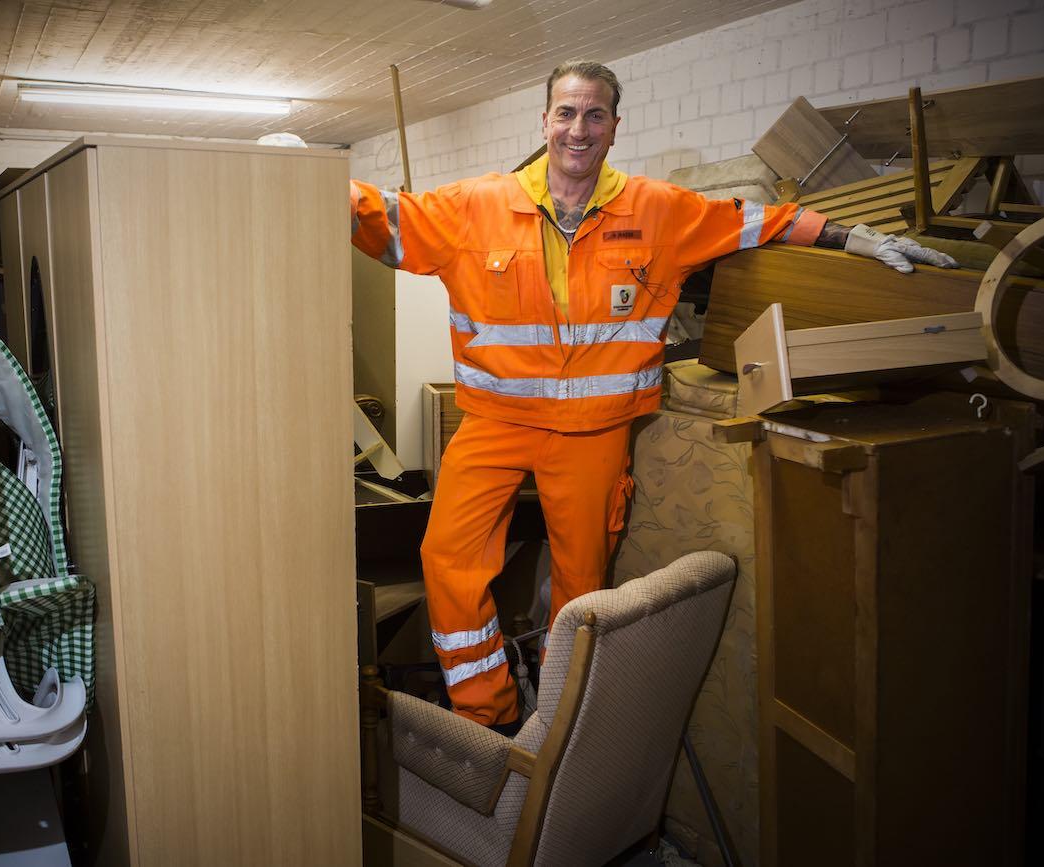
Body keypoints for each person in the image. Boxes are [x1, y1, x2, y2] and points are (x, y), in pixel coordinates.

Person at [350, 60, 956, 733]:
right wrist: (302, 180)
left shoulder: (658, 210)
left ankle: (558, 720)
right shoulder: (476, 206)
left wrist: (856, 237)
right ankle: (487, 715)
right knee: (447, 560)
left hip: (595, 432)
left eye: (595, 115)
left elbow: (758, 221)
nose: (579, 129)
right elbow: (382, 216)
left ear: (614, 127)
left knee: (582, 586)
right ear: (545, 121)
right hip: (495, 423)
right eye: (566, 113)